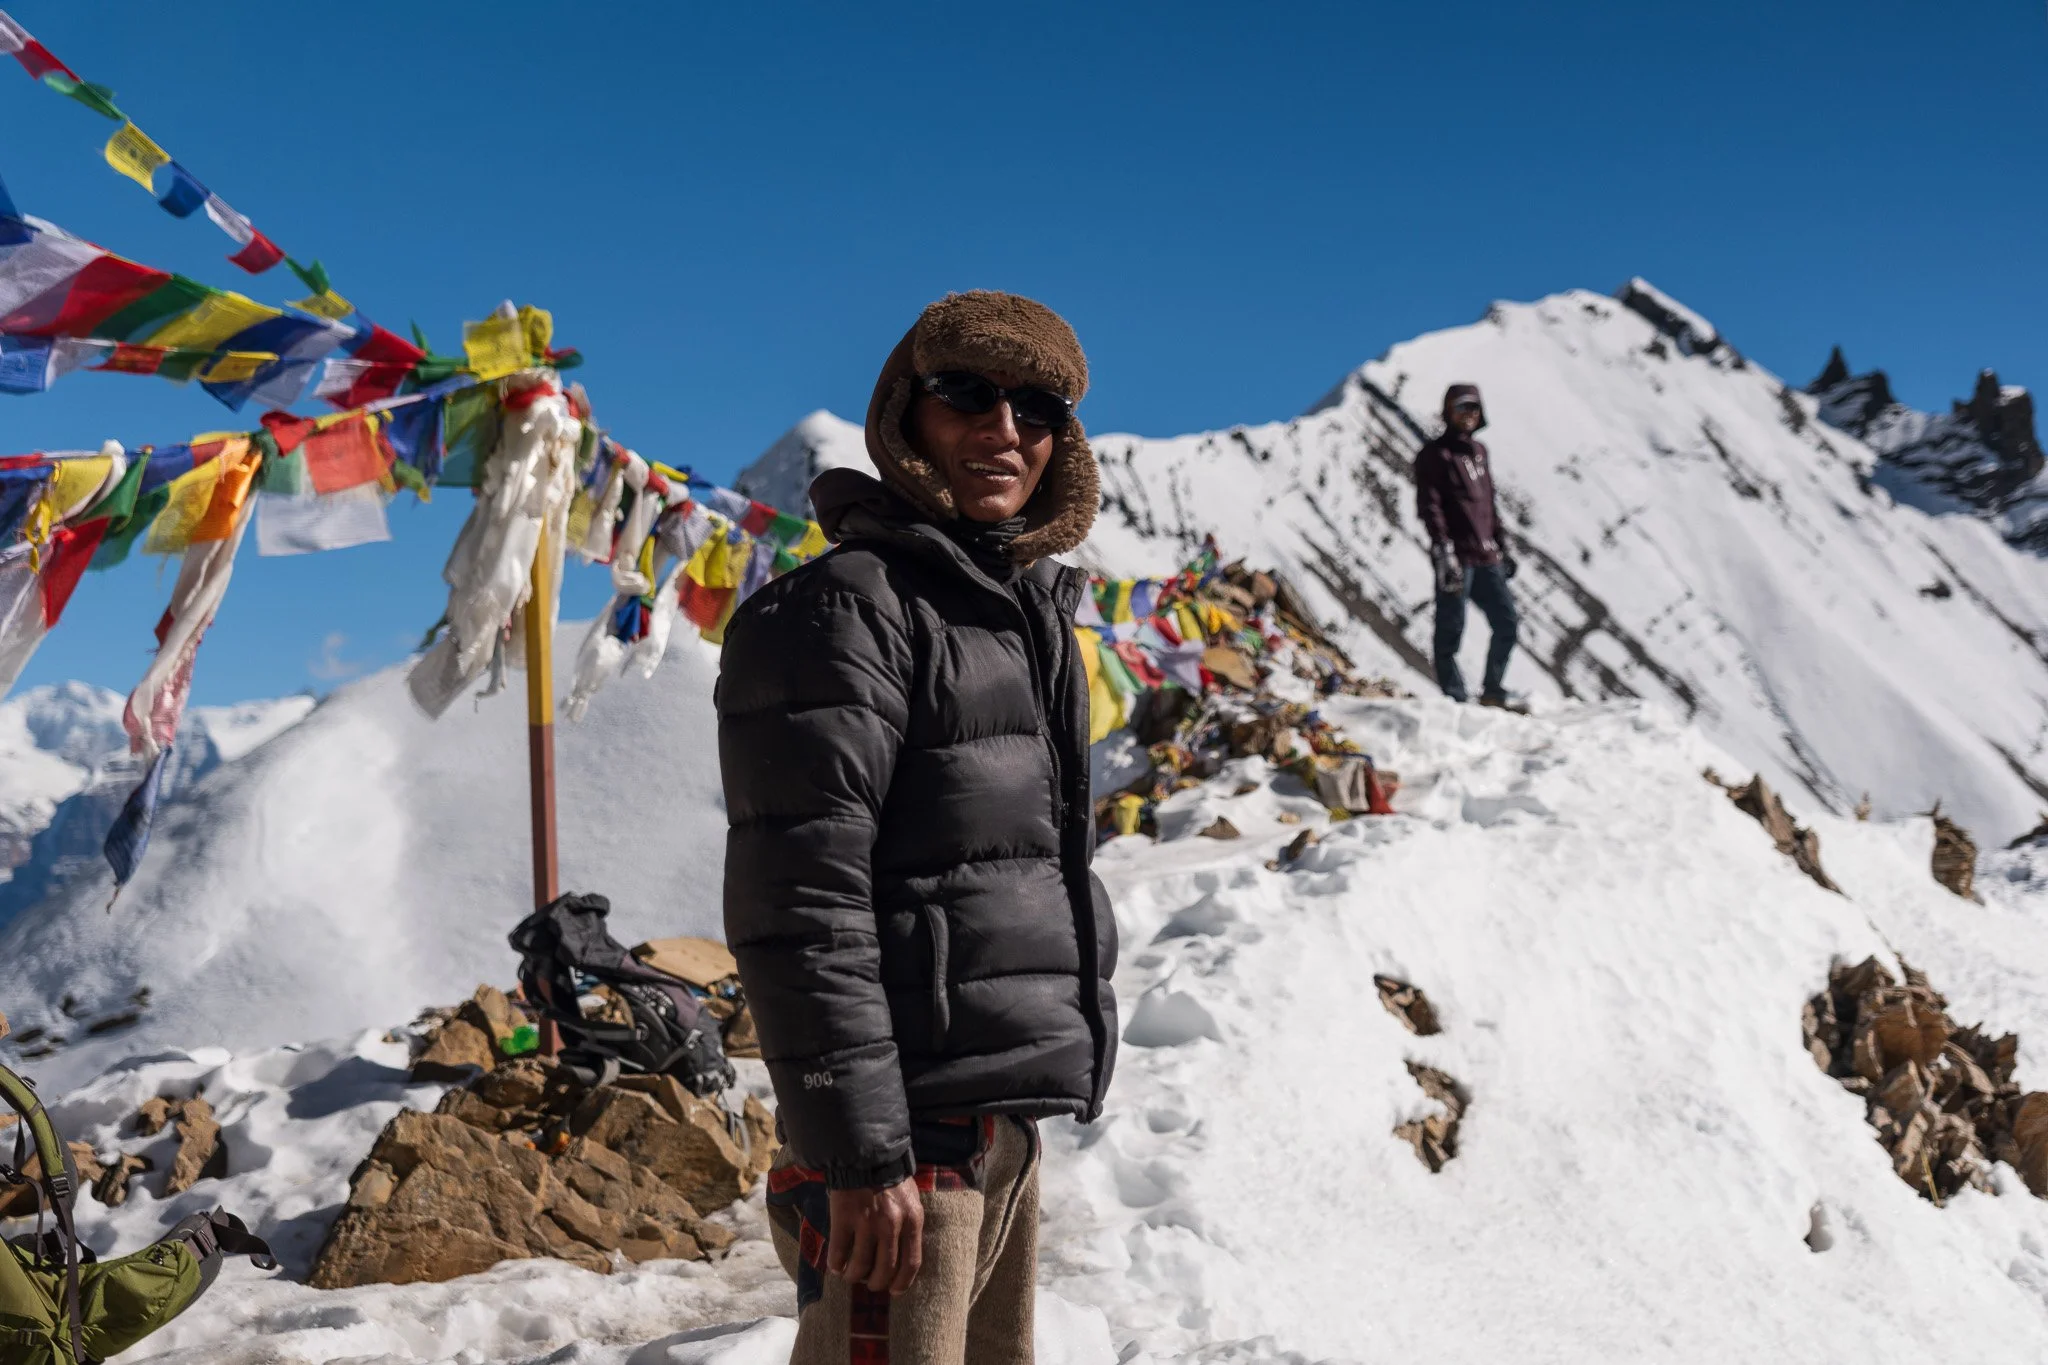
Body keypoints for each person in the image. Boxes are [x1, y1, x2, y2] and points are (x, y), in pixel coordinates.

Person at [717, 291, 1118, 1365]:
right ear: (906, 414)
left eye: (1036, 408)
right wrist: (858, 1157)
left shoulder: (1016, 614)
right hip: (900, 1148)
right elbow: (798, 901)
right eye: (966, 395)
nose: (1003, 431)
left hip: (992, 1128)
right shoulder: (845, 610)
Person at [1415, 382, 1523, 709]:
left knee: (1507, 623)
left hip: (1487, 555)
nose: (1468, 414)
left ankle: (1492, 690)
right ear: (1448, 411)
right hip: (1456, 557)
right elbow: (1429, 506)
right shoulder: (1434, 455)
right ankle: (1456, 700)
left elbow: (1489, 504)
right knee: (1451, 629)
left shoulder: (1479, 453)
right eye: (1462, 407)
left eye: (1474, 407)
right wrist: (1444, 550)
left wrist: (1503, 544)